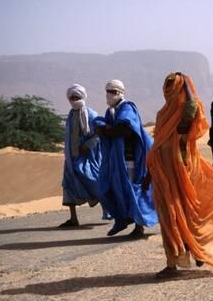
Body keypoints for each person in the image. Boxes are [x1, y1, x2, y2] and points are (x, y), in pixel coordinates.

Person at [144, 72, 213, 278]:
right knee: (169, 217)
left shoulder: (184, 115)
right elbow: (157, 146)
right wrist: (150, 172)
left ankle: (197, 249)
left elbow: (193, 107)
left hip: (183, 171)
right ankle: (173, 262)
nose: (168, 89)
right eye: (166, 84)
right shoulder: (163, 114)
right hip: (163, 173)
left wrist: (187, 87)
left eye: (172, 85)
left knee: (185, 214)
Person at [94, 79, 158, 237]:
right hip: (115, 160)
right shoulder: (111, 111)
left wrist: (106, 130)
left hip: (130, 160)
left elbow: (125, 129)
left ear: (119, 92)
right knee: (109, 189)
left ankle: (139, 226)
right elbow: (104, 128)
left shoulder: (127, 107)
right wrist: (104, 128)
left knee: (132, 191)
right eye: (107, 91)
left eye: (112, 92)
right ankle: (121, 220)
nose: (109, 95)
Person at [59, 84, 107, 227]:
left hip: (88, 158)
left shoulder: (91, 114)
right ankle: (73, 218)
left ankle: (110, 211)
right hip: (71, 157)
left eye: (77, 97)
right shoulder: (71, 114)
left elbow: (100, 134)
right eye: (72, 98)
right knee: (68, 184)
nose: (74, 100)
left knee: (95, 182)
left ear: (83, 97)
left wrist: (88, 145)